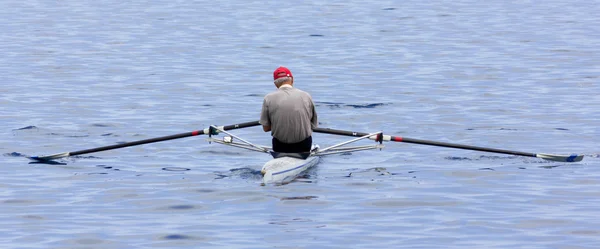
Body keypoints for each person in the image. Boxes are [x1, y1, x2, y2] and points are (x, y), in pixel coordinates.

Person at [260, 66, 318, 153]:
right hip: (303, 146)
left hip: (280, 147)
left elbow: (266, 128)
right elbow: (313, 125)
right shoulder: (306, 96)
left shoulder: (268, 98)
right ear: (292, 80)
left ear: (275, 84)